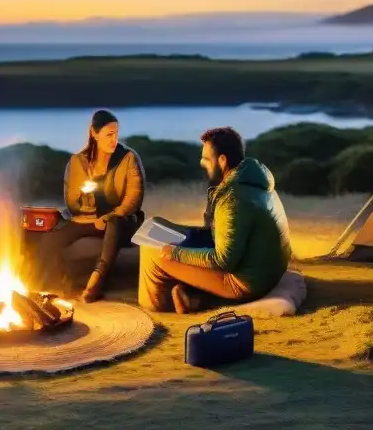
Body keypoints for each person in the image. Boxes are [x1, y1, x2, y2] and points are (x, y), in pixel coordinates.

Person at [138, 126, 292, 314]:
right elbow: (222, 233)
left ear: (222, 160)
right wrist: (186, 234)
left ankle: (155, 308)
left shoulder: (233, 198)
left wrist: (176, 253)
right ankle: (190, 295)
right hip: (264, 271)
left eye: (206, 159)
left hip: (244, 282)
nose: (201, 163)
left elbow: (223, 261)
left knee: (153, 252)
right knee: (164, 226)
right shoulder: (250, 180)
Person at [35, 109, 146, 301]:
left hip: (119, 220)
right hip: (85, 219)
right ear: (94, 133)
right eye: (109, 135)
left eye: (116, 134)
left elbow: (134, 197)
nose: (114, 140)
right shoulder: (78, 162)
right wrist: (88, 198)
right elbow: (71, 204)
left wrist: (109, 216)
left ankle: (96, 281)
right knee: (51, 239)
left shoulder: (128, 158)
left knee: (115, 223)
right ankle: (62, 287)